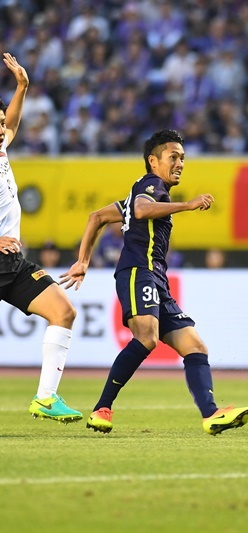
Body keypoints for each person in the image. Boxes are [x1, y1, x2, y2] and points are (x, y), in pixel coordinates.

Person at [60, 129, 248, 435]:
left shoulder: (145, 192)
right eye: (173, 157)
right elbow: (141, 209)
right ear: (154, 161)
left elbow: (96, 217)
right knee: (147, 337)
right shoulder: (151, 185)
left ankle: (211, 414)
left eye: (183, 158)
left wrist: (83, 261)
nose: (180, 163)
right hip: (139, 271)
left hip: (155, 278)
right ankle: (102, 408)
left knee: (195, 346)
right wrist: (188, 205)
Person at [0, 53, 82, 423]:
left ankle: (46, 398)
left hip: (11, 263)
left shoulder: (0, 147)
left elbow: (14, 123)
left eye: (1, 123)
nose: (3, 129)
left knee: (63, 311)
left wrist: (22, 86)